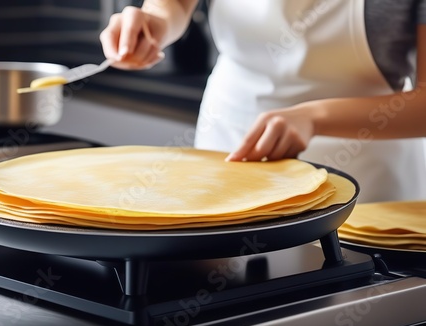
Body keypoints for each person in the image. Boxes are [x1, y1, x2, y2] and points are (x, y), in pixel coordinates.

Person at [99, 0, 426, 203]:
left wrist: (314, 117)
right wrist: (153, 23)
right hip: (227, 140)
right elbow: (174, 5)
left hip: (364, 173)